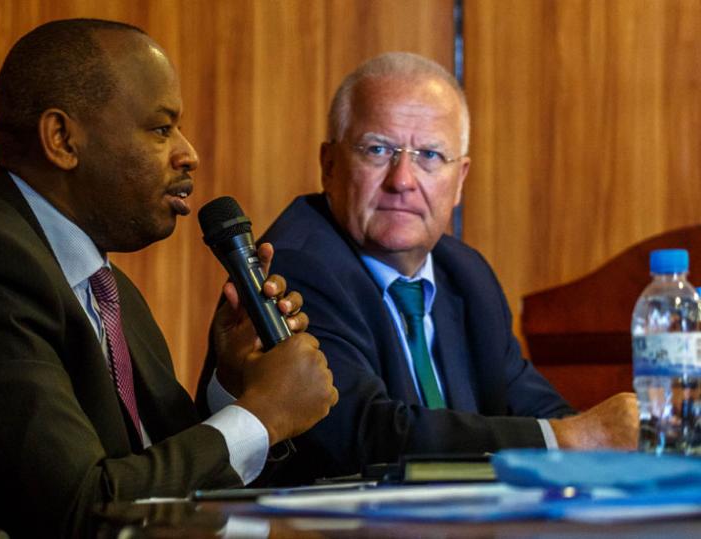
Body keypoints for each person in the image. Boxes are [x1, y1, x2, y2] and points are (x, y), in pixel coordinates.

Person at [0, 18, 338, 538]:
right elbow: (86, 515)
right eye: (161, 129)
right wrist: (263, 415)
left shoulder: (102, 284)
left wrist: (235, 389)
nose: (189, 153)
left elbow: (160, 479)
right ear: (62, 139)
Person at [201, 52, 638, 484]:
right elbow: (364, 435)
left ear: (460, 179)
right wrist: (572, 438)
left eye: (429, 155)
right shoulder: (294, 266)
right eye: (378, 150)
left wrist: (606, 436)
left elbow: (535, 408)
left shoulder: (464, 273)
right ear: (329, 165)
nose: (403, 180)